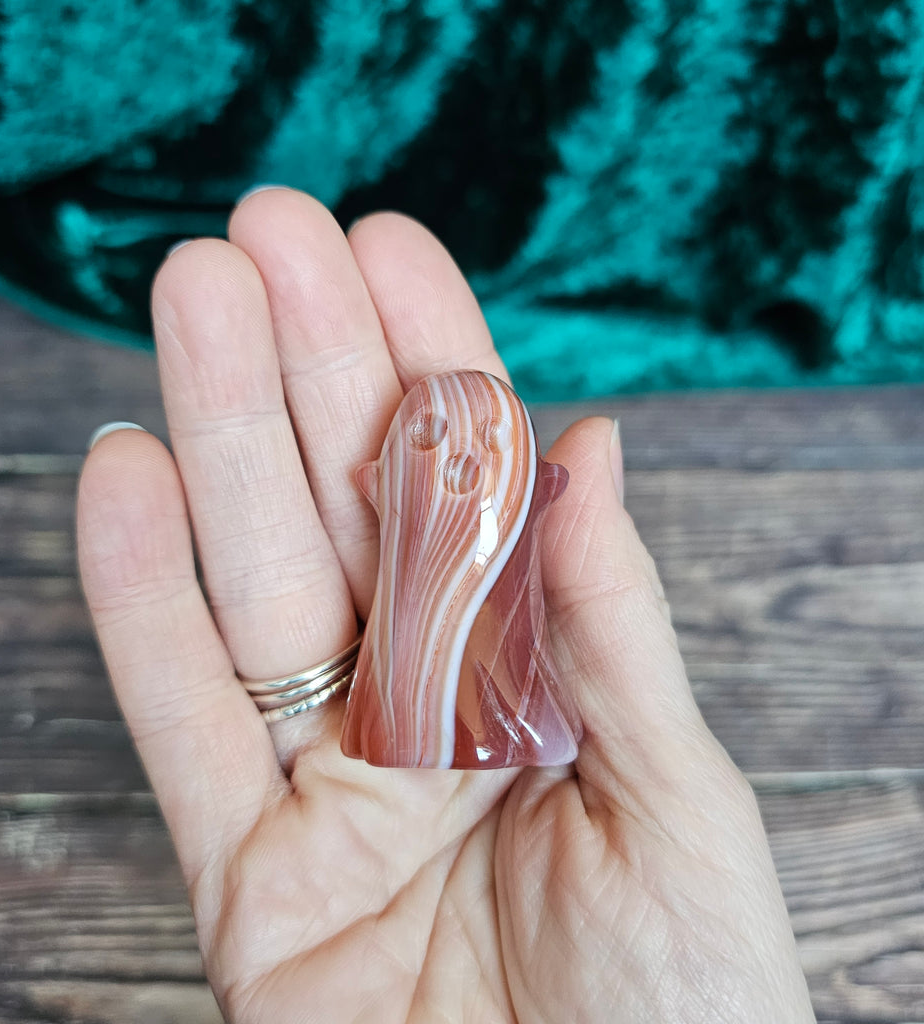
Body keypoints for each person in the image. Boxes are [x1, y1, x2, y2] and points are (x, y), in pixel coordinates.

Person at [75, 186, 816, 1022]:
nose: (458, 468)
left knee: (484, 671)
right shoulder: (405, 501)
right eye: (429, 448)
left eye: (478, 462)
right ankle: (424, 710)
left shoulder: (512, 499)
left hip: (493, 710)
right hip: (397, 703)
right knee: (427, 669)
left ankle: (454, 708)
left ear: (540, 492)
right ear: (380, 486)